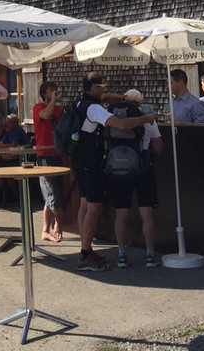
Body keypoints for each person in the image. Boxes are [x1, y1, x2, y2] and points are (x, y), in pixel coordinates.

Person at [73, 72, 156, 272]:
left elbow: (106, 96)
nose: (104, 91)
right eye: (101, 87)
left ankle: (84, 248)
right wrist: (145, 118)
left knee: (84, 204)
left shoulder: (79, 102)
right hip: (92, 162)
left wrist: (125, 98)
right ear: (94, 88)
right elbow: (122, 124)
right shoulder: (94, 109)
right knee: (94, 208)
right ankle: (85, 255)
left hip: (79, 159)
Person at [105, 89, 164, 267]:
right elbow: (158, 148)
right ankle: (150, 254)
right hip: (143, 168)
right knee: (146, 213)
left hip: (118, 169)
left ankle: (121, 254)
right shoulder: (148, 119)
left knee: (121, 213)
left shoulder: (114, 119)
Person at [32, 81, 64, 242]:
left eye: (55, 90)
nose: (55, 92)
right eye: (51, 90)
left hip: (57, 153)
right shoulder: (38, 107)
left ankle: (45, 230)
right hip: (44, 155)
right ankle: (59, 224)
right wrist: (52, 101)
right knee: (52, 193)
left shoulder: (59, 110)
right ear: (44, 93)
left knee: (53, 194)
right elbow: (44, 115)